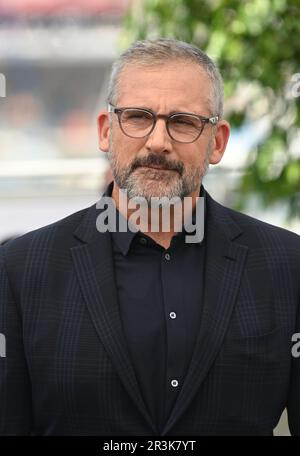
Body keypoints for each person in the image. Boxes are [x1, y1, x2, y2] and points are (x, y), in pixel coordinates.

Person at [0, 38, 299, 436]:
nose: (158, 142)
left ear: (219, 142)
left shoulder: (287, 266)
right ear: (106, 131)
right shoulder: (20, 270)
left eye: (183, 122)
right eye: (138, 117)